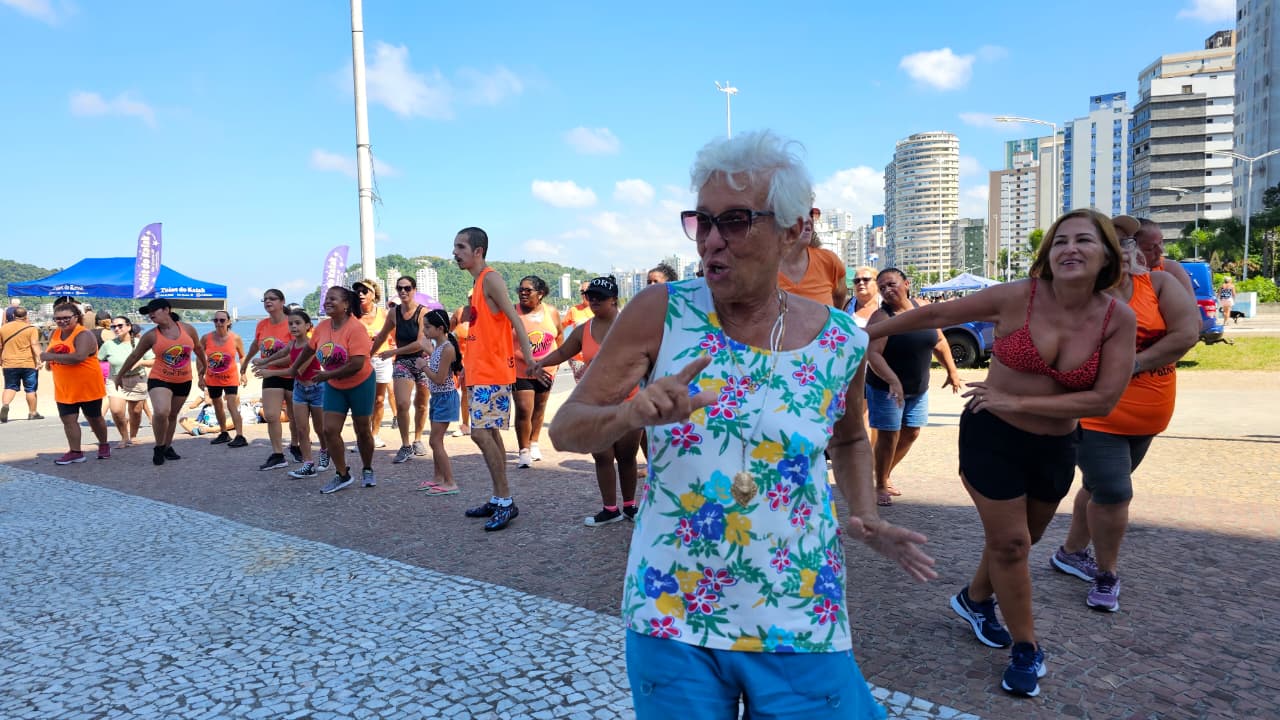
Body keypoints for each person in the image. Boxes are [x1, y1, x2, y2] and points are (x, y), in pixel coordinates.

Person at [549, 130, 935, 718]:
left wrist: (865, 516)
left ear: (794, 230)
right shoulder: (663, 312)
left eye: (733, 221)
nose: (710, 242)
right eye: (701, 222)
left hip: (798, 598)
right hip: (672, 601)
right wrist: (630, 412)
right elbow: (567, 428)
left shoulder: (840, 341)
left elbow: (851, 436)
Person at [868, 207, 1137, 697]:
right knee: (1012, 545)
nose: (1070, 249)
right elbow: (936, 314)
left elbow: (1103, 398)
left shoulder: (1117, 318)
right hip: (992, 435)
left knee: (1017, 542)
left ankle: (974, 598)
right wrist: (861, 334)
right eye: (1060, 241)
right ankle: (1027, 649)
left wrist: (1018, 397)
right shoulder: (1020, 296)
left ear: (1106, 257)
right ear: (1048, 254)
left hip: (1056, 447)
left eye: (1084, 241)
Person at [1052, 231, 1199, 612]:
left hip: (1149, 412)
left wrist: (1134, 363)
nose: (1124, 250)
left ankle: (1070, 552)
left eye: (1127, 241)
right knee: (1116, 491)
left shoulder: (1160, 283)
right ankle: (1107, 575)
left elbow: (1188, 331)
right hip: (1096, 413)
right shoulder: (1078, 293)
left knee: (1099, 486)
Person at [535, 276, 642, 526]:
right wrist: (540, 362)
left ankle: (630, 506)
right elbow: (564, 351)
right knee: (602, 456)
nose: (593, 301)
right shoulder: (585, 329)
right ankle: (609, 509)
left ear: (614, 299)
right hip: (595, 403)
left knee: (627, 457)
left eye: (599, 297)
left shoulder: (633, 326)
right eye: (589, 296)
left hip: (629, 402)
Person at [453, 226, 536, 532]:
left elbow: (516, 321)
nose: (455, 253)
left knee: (480, 434)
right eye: (455, 248)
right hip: (480, 373)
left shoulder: (490, 278)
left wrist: (531, 360)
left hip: (492, 373)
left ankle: (505, 500)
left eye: (461, 247)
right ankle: (499, 497)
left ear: (478, 251)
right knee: (491, 435)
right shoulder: (478, 284)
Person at [864, 268, 963, 506]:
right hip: (886, 388)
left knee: (912, 432)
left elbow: (939, 340)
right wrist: (892, 380)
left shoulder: (922, 308)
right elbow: (873, 355)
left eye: (891, 284)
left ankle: (883, 475)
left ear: (906, 284)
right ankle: (878, 486)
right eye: (882, 287)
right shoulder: (882, 318)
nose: (887, 290)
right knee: (888, 436)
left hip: (918, 388)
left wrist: (952, 371)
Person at [288, 286, 375, 493]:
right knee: (329, 430)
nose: (327, 302)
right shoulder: (322, 327)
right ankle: (342, 474)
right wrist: (294, 368)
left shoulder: (356, 328)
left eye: (333, 299)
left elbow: (357, 364)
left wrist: (326, 375)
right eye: (326, 298)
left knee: (362, 430)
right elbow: (309, 348)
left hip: (361, 383)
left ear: (345, 305)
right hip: (335, 386)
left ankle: (368, 468)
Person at [118, 299, 208, 466]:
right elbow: (134, 356)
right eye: (148, 312)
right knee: (161, 411)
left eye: (154, 310)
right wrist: (120, 375)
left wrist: (204, 369)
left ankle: (167, 447)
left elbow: (199, 349)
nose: (151, 314)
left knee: (172, 415)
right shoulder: (151, 335)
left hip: (183, 380)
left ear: (166, 310)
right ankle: (159, 448)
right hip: (160, 379)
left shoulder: (188, 329)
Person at [259, 308, 329, 479]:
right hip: (299, 389)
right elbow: (282, 354)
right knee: (302, 428)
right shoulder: (291, 344)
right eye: (290, 324)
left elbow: (297, 369)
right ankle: (308, 464)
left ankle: (325, 451)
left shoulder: (312, 345)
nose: (293, 326)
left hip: (316, 389)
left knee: (320, 429)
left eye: (298, 323)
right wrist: (264, 361)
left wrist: (270, 372)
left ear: (308, 326)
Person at [42, 302, 111, 463]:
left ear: (76, 317)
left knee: (94, 418)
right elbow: (52, 351)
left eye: (66, 318)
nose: (62, 321)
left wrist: (50, 357)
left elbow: (78, 357)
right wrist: (48, 363)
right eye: (58, 318)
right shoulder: (55, 334)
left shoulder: (84, 334)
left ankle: (103, 444)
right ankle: (75, 451)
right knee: (68, 419)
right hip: (64, 386)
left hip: (87, 384)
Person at [373, 276, 430, 462]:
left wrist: (393, 351)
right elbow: (382, 336)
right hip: (403, 362)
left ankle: (418, 439)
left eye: (407, 288)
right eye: (399, 288)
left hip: (422, 360)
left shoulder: (423, 313)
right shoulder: (393, 313)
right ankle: (405, 445)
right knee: (403, 403)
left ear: (414, 290)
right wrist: (367, 355)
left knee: (421, 403)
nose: (403, 291)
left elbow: (420, 342)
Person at [242, 288, 298, 470]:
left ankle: (296, 446)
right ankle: (278, 454)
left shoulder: (292, 323)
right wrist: (245, 362)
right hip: (270, 375)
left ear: (282, 302)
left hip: (291, 373)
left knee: (294, 415)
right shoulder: (262, 325)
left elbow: (292, 355)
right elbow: (255, 344)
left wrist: (265, 362)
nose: (268, 302)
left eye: (272, 299)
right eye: (265, 299)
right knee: (271, 415)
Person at [513, 275, 562, 468]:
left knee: (540, 407)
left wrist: (557, 363)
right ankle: (523, 450)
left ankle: (534, 441)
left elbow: (559, 339)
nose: (523, 293)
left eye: (528, 290)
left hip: (546, 369)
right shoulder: (513, 312)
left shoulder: (552, 312)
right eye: (521, 289)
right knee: (524, 409)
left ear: (540, 294)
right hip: (520, 368)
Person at [413, 309, 462, 495]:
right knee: (436, 440)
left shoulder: (447, 348)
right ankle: (438, 478)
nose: (424, 330)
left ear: (440, 328)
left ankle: (450, 482)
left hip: (445, 397)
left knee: (435, 441)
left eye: (427, 327)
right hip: (437, 397)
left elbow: (440, 379)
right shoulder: (439, 346)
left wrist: (423, 366)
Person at [97, 316, 153, 448]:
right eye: (113, 326)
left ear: (129, 326)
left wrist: (141, 362)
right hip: (116, 380)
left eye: (120, 326)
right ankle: (124, 436)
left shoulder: (140, 342)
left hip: (137, 380)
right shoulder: (108, 345)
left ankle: (133, 436)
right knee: (116, 411)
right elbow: (96, 360)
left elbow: (153, 361)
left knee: (136, 412)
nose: (116, 329)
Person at [778, 206, 849, 308]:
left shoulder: (829, 261)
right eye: (799, 213)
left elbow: (839, 302)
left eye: (810, 214)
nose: (808, 220)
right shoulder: (759, 267)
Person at [355, 278, 397, 445]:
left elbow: (395, 336)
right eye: (358, 291)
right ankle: (362, 436)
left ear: (373, 295)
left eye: (364, 291)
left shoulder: (384, 314)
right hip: (359, 361)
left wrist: (394, 353)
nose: (360, 294)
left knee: (379, 399)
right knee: (361, 399)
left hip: (381, 359)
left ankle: (374, 434)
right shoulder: (352, 315)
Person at [1115, 216, 1195, 300]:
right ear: (1131, 248)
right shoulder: (1122, 277)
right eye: (1150, 248)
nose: (1161, 251)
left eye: (1161, 242)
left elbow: (1192, 308)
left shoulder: (1171, 269)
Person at [200, 309, 248, 447]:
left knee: (231, 404)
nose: (219, 323)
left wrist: (243, 373)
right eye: (216, 320)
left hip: (230, 377)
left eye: (222, 320)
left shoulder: (235, 338)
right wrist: (199, 375)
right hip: (212, 378)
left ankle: (240, 436)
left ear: (228, 322)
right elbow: (199, 355)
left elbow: (242, 356)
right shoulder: (206, 338)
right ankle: (224, 433)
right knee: (217, 405)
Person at [1, 305, 44, 422]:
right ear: (26, 316)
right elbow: (34, 344)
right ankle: (33, 413)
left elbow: (0, 346)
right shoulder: (31, 329)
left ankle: (5, 405)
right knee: (30, 389)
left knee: (10, 386)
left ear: (14, 316)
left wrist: (1, 359)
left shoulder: (3, 328)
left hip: (9, 363)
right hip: (28, 363)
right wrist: (39, 359)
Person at [561, 281, 594, 383]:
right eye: (582, 292)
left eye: (587, 291)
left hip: (597, 358)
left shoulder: (600, 309)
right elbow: (559, 329)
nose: (584, 295)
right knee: (583, 390)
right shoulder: (574, 310)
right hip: (578, 359)